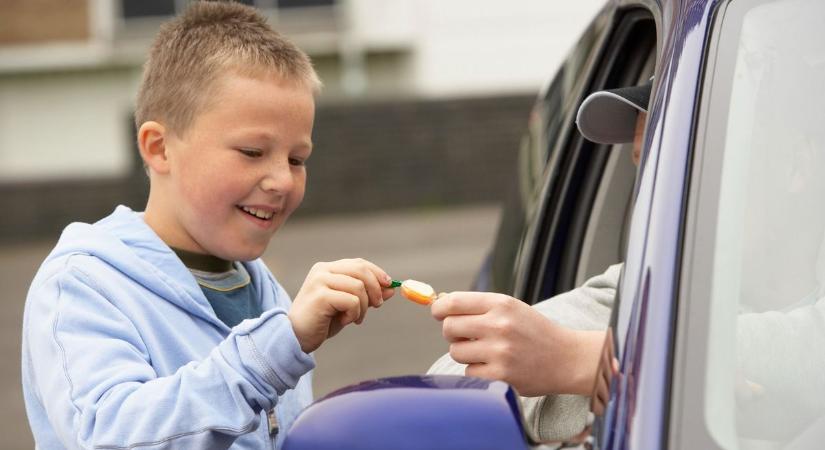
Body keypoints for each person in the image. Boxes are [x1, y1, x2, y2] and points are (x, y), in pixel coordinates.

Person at [20, 3, 395, 449]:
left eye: (297, 159)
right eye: (253, 152)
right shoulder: (84, 285)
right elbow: (109, 438)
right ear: (159, 148)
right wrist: (279, 346)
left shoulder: (264, 291)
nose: (281, 180)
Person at [427, 80, 652, 443]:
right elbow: (448, 386)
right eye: (643, 165)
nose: (650, 191)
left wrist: (578, 359)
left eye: (670, 165)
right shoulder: (644, 287)